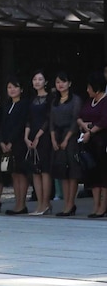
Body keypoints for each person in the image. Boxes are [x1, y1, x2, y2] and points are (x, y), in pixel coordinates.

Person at [50, 72, 82, 217]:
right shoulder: (54, 101)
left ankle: (71, 204)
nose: (60, 85)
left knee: (72, 171)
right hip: (57, 136)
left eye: (63, 82)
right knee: (62, 172)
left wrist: (66, 139)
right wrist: (53, 139)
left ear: (69, 83)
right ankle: (65, 204)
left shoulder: (75, 100)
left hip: (71, 138)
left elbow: (75, 120)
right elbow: (51, 121)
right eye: (57, 82)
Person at [77, 72, 107, 218]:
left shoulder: (105, 101)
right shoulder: (89, 101)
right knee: (93, 176)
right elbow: (80, 116)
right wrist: (83, 124)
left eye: (89, 87)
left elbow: (104, 121)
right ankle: (95, 205)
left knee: (103, 176)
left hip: (102, 143)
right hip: (90, 144)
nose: (87, 90)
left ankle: (103, 206)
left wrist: (91, 131)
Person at [0, 78, 30, 215]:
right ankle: (17, 203)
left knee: (21, 173)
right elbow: (3, 125)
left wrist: (11, 141)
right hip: (7, 143)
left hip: (19, 143)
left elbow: (21, 125)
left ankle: (22, 204)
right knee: (13, 174)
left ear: (21, 89)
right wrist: (2, 141)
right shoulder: (7, 106)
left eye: (15, 87)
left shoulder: (23, 105)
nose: (12, 90)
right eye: (9, 87)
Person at [26, 70, 53, 215]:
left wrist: (38, 136)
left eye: (40, 79)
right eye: (35, 79)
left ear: (45, 82)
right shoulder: (32, 99)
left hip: (44, 136)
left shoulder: (50, 98)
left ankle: (46, 203)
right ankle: (39, 204)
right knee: (35, 171)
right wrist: (26, 136)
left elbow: (49, 119)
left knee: (45, 171)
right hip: (31, 137)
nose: (37, 81)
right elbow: (29, 119)